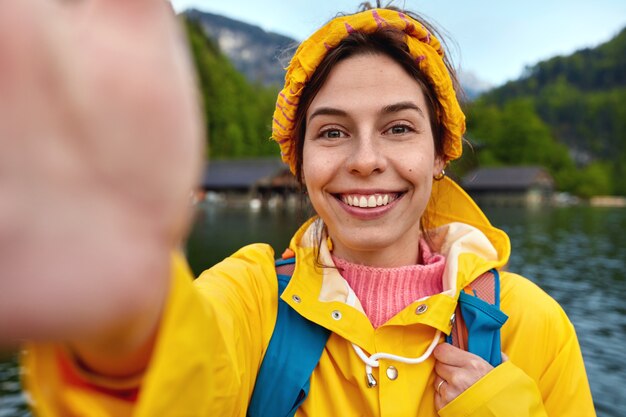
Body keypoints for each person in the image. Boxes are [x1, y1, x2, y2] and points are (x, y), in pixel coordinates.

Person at [1, 1, 595, 416]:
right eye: (333, 133)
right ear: (298, 159)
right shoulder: (251, 298)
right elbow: (176, 384)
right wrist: (118, 327)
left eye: (398, 128)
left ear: (441, 153)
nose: (365, 160)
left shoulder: (531, 325)